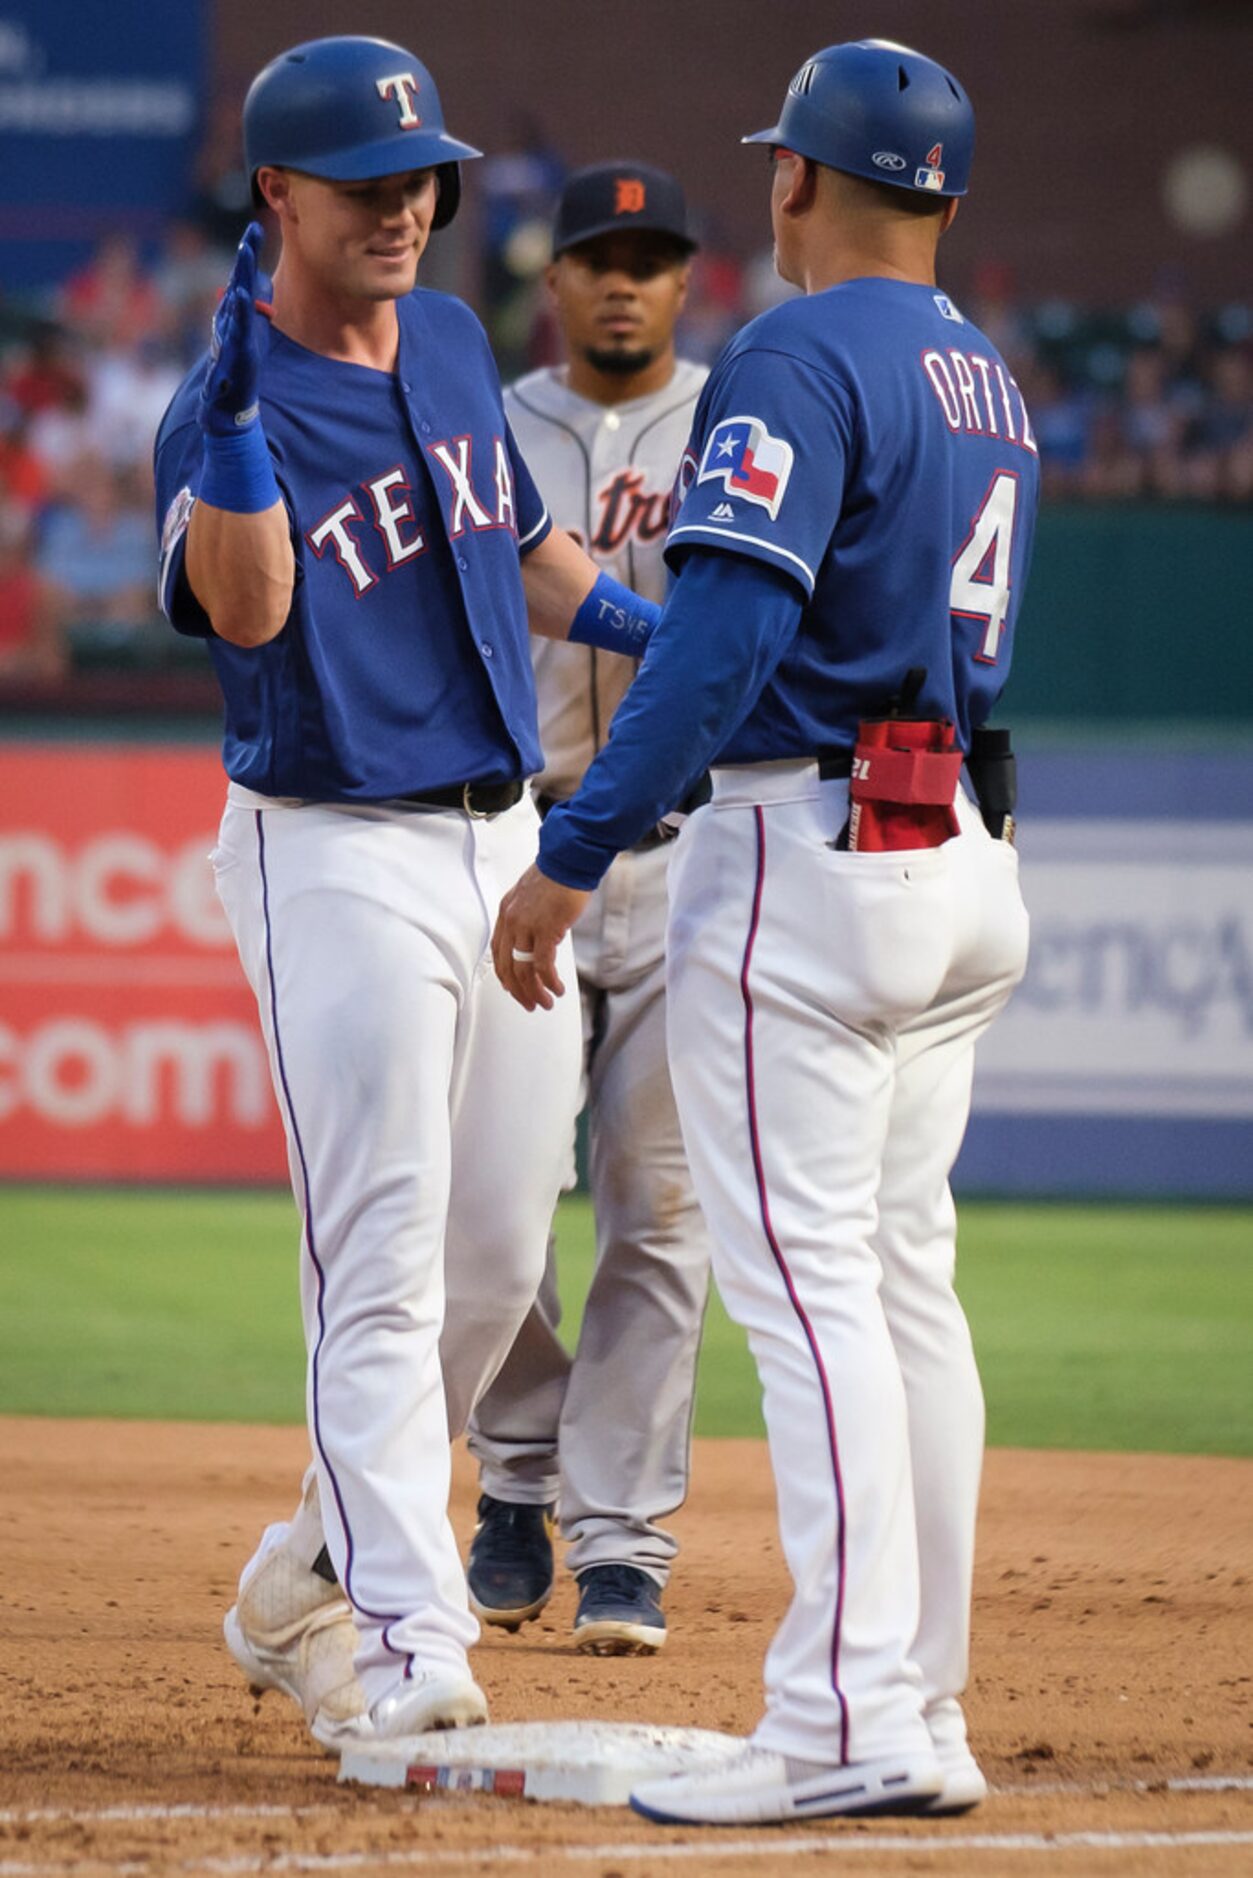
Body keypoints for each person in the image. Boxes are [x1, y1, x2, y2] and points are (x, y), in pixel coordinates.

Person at [493, 38, 1038, 1825]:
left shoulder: (794, 348)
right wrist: (642, 628)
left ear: (797, 178)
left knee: (810, 1304)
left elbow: (740, 654)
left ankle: (842, 1723)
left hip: (801, 858)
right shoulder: (984, 376)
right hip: (952, 837)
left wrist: (573, 846)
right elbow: (811, 637)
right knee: (899, 1290)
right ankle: (922, 1704)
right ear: (942, 199)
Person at [152, 35, 664, 1750]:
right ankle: (399, 1628)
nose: (402, 207)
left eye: (420, 180)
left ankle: (314, 1550)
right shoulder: (220, 396)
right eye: (364, 185)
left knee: (500, 1251)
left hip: (500, 834)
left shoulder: (449, 339)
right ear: (275, 195)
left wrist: (655, 635)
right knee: (374, 1253)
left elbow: (519, 546)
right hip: (333, 841)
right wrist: (228, 426)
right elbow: (241, 612)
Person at [464, 162, 711, 1655]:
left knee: (659, 1215)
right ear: (549, 278)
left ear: (688, 281)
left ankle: (619, 1540)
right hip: (522, 833)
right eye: (595, 257)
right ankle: (513, 1476)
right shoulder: (485, 425)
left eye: (650, 258)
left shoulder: (743, 425)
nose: (621, 282)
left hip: (689, 855)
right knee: (498, 1205)